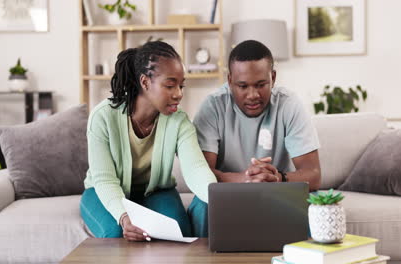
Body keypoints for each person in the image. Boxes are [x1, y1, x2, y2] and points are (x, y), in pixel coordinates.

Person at [80, 41, 217, 241]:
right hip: (101, 191)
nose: (178, 93)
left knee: (178, 233)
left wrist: (217, 201)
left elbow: (195, 168)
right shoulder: (102, 117)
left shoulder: (179, 122)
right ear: (145, 82)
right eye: (170, 85)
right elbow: (104, 179)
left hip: (156, 192)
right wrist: (124, 216)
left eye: (181, 85)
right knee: (117, 235)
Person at [188, 40, 321, 237]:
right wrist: (245, 179)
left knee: (317, 205)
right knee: (202, 203)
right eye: (242, 86)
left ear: (273, 78)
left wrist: (278, 178)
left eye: (261, 85)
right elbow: (202, 174)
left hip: (279, 189)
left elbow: (314, 174)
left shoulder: (289, 104)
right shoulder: (213, 106)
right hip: (229, 191)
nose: (252, 95)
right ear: (230, 80)